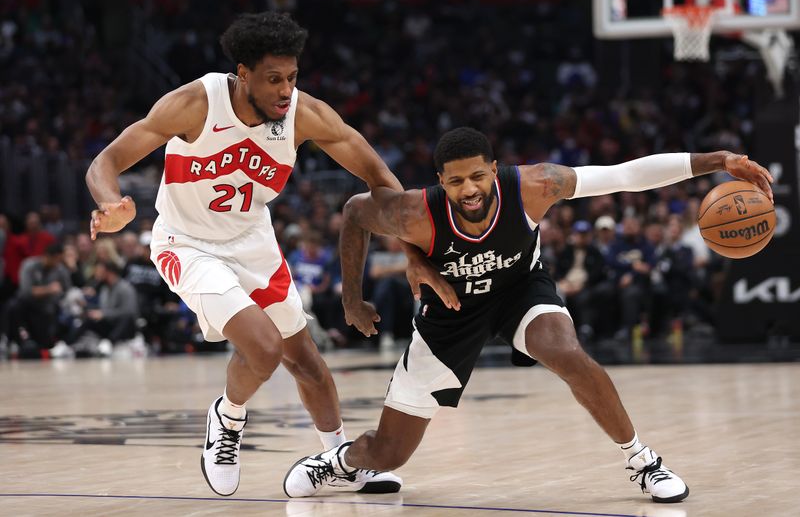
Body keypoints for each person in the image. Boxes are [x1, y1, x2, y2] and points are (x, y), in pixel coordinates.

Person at [283, 126, 773, 503]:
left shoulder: (537, 185)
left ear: (494, 169)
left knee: (567, 354)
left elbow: (626, 173)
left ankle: (643, 461)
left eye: (478, 175)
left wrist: (720, 160)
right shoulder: (413, 212)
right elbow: (353, 212)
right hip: (451, 313)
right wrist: (352, 298)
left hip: (519, 290)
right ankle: (342, 460)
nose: (469, 188)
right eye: (455, 181)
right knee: (389, 452)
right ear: (440, 182)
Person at [85, 12, 453, 497]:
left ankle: (341, 460)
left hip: (253, 242)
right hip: (187, 244)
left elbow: (382, 181)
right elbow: (106, 160)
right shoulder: (196, 103)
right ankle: (228, 417)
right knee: (263, 347)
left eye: (293, 78)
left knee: (310, 366)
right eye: (274, 79)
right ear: (243, 75)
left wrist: (411, 253)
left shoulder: (304, 115)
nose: (286, 90)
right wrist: (110, 204)